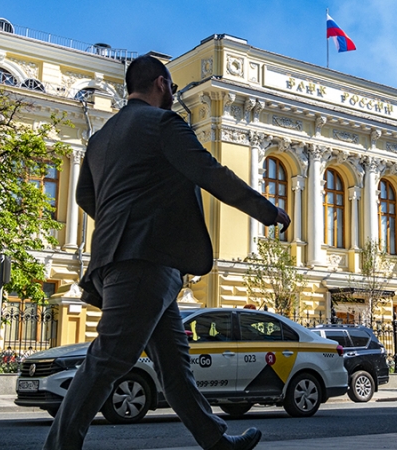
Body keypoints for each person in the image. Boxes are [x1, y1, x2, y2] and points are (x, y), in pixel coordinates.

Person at [43, 55, 290, 450]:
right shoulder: (163, 124)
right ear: (160, 84)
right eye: (172, 87)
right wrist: (266, 210)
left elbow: (84, 195)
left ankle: (217, 441)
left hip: (119, 259)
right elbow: (210, 172)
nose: (174, 94)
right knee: (108, 359)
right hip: (145, 261)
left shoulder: (102, 137)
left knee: (175, 367)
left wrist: (119, 220)